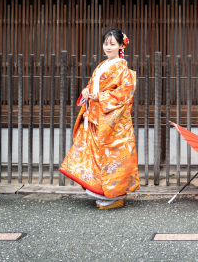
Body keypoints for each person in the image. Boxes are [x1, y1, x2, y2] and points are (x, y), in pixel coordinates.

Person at [59, 29, 140, 208]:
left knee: (112, 157)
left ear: (120, 46)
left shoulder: (122, 68)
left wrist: (99, 97)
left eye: (112, 44)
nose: (108, 47)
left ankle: (115, 195)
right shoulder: (102, 65)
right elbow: (92, 86)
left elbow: (124, 93)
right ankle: (101, 191)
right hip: (96, 117)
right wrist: (87, 92)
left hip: (113, 122)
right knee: (97, 155)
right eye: (106, 43)